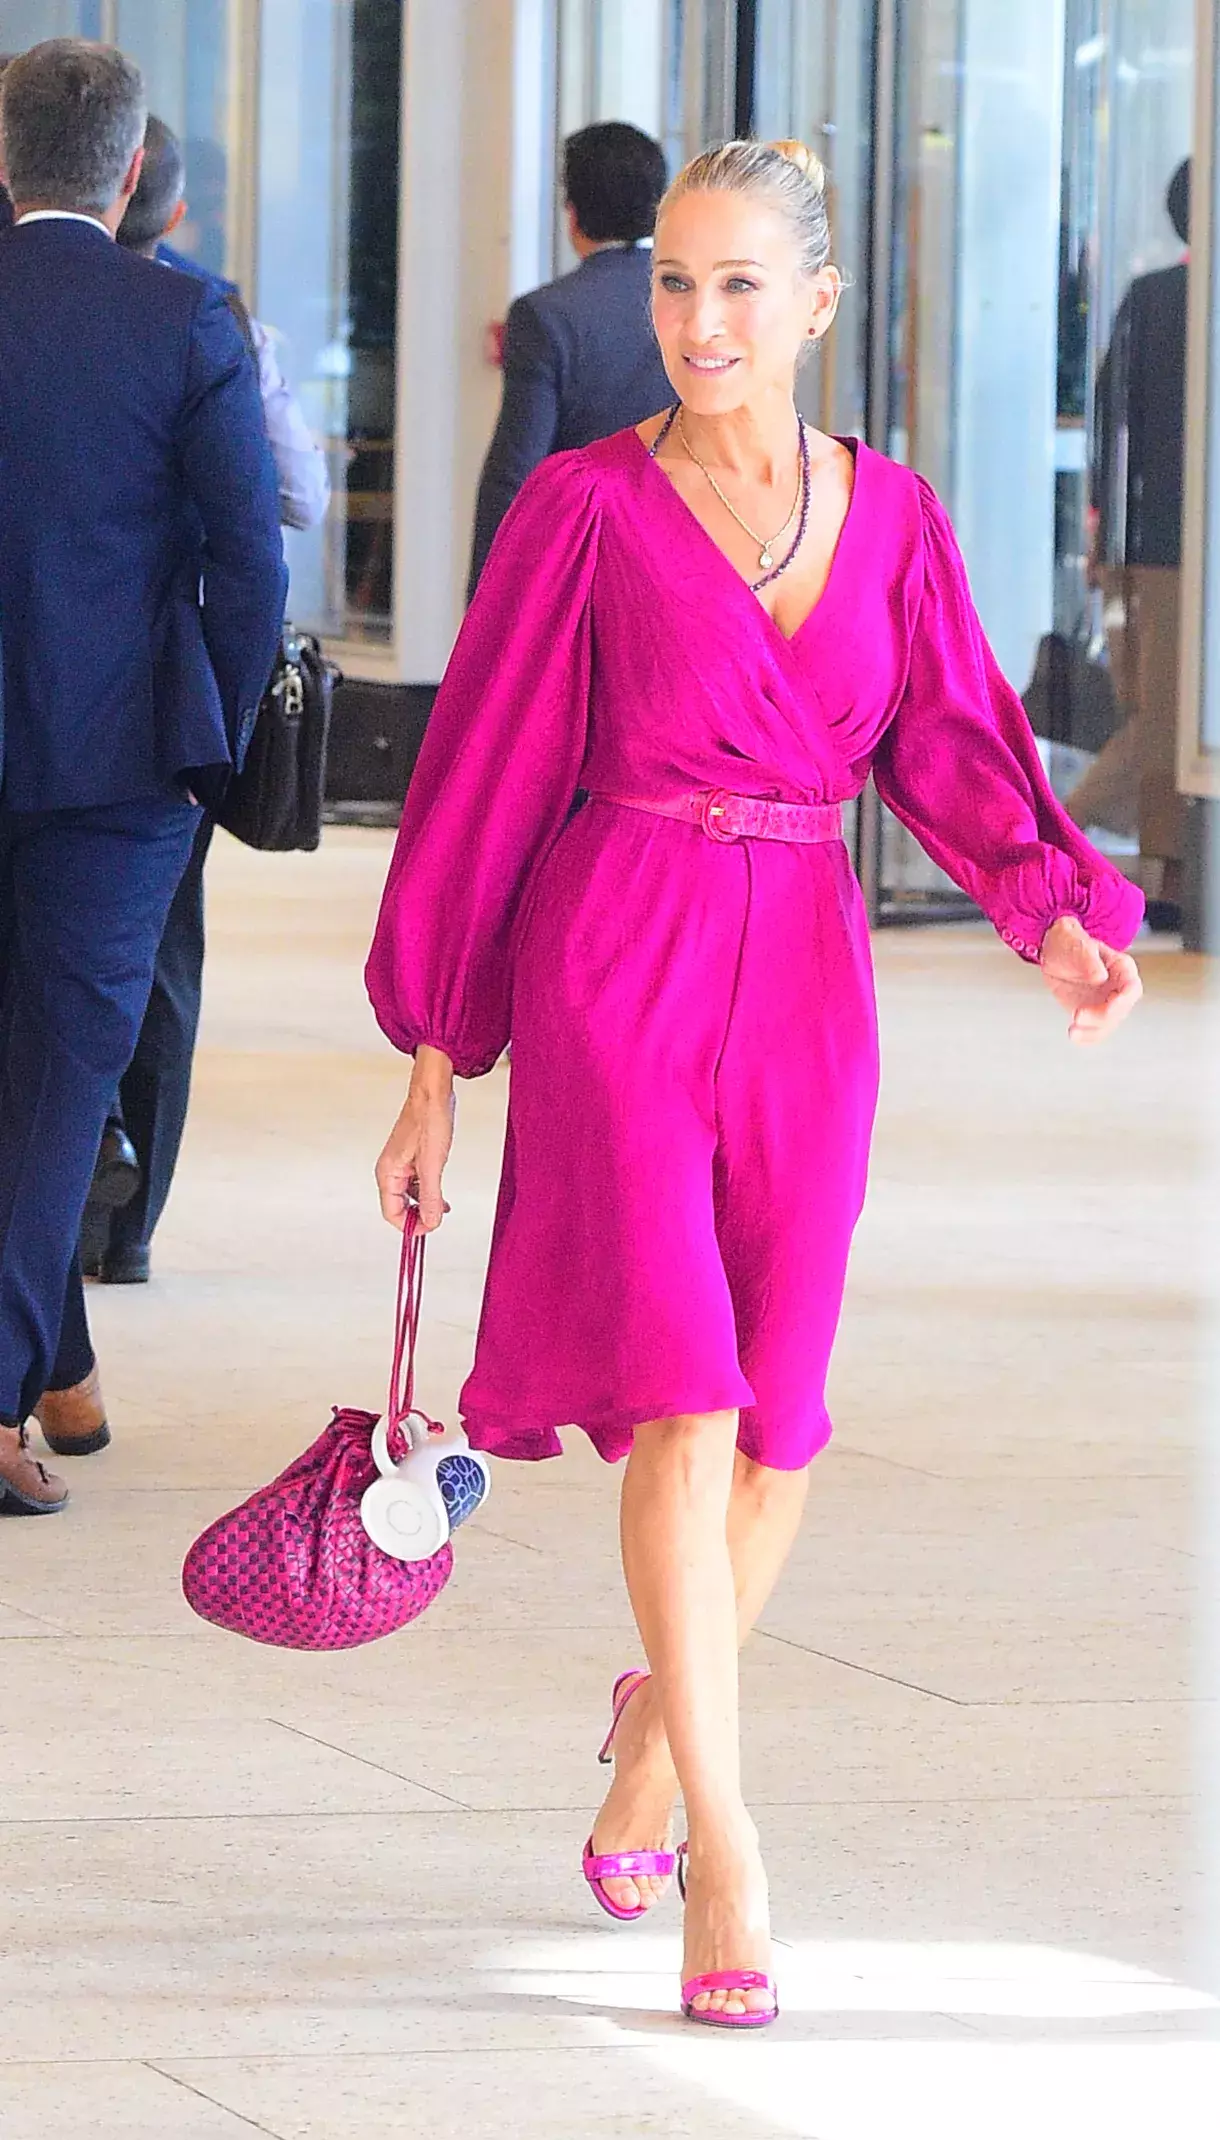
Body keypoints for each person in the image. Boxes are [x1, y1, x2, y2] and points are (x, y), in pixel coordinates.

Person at [366, 140, 1145, 2031]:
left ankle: (654, 1733)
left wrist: (1052, 915)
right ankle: (728, 1848)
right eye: (673, 282)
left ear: (815, 305)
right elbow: (481, 778)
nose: (697, 321)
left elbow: (955, 737)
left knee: (782, 1422)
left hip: (804, 970)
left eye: (735, 285)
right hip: (618, 959)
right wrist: (438, 1060)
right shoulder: (582, 509)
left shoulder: (896, 518)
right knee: (684, 1402)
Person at [0, 39, 286, 1511]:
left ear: (3, 160)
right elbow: (251, 559)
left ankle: (61, 1362)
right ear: (131, 176)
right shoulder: (186, 320)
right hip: (118, 770)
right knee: (63, 1076)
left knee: (32, 1079)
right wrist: (209, 747)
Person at [75, 113, 331, 1286]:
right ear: (167, 204)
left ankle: (68, 1186)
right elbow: (295, 501)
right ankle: (129, 1230)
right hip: (167, 701)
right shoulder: (219, 321)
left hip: (52, 694)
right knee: (164, 959)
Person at [467, 120, 672, 596]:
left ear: (572, 213)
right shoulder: (698, 305)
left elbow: (516, 470)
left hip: (588, 565)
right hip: (689, 557)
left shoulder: (547, 315)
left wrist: (486, 599)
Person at [1066, 159, 1191, 909]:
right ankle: (1050, 834)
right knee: (1171, 719)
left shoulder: (1152, 298)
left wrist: (1102, 534)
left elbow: (1110, 424)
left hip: (1141, 542)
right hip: (1173, 552)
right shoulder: (1177, 301)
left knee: (1166, 715)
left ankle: (1171, 875)